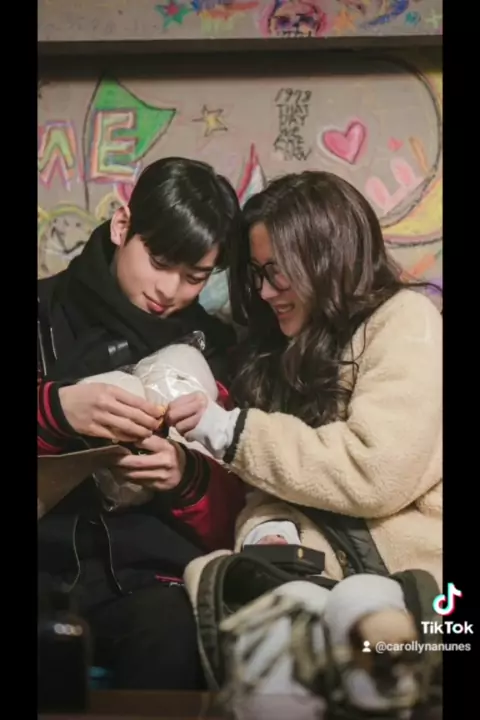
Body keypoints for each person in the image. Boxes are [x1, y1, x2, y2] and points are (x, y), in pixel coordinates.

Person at [166, 170, 443, 587]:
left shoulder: (405, 320)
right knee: (206, 580)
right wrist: (267, 530)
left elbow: (374, 473)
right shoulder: (277, 351)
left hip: (412, 579)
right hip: (324, 575)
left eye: (277, 271)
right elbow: (279, 485)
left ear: (329, 259)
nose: (264, 291)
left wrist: (231, 432)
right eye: (257, 272)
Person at [37, 157, 246, 690]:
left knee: (176, 635)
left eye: (195, 277)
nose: (170, 290)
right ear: (122, 225)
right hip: (45, 562)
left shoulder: (214, 351)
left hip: (151, 579)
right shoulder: (42, 314)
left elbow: (244, 497)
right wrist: (55, 410)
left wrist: (185, 477)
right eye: (160, 261)